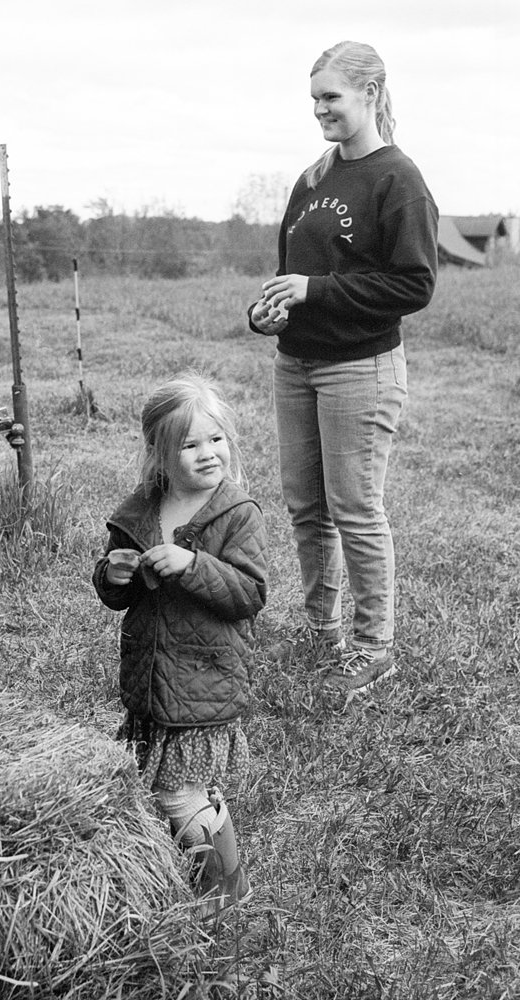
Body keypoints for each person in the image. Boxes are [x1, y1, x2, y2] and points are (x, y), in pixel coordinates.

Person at [248, 41, 438, 698]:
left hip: (360, 369)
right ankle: (320, 628)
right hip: (295, 365)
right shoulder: (311, 179)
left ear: (370, 93)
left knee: (353, 509)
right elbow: (288, 274)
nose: (319, 110)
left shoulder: (397, 180)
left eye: (330, 97)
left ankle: (374, 646)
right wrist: (267, 309)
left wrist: (314, 292)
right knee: (305, 507)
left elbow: (412, 286)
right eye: (313, 100)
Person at [92, 371, 267, 911]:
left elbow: (249, 592)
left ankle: (224, 891)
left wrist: (193, 564)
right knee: (164, 787)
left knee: (182, 791)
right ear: (159, 454)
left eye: (216, 439)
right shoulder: (139, 515)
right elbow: (117, 596)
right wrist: (112, 576)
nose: (207, 453)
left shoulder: (235, 515)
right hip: (152, 678)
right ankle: (192, 876)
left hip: (202, 680)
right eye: (189, 444)